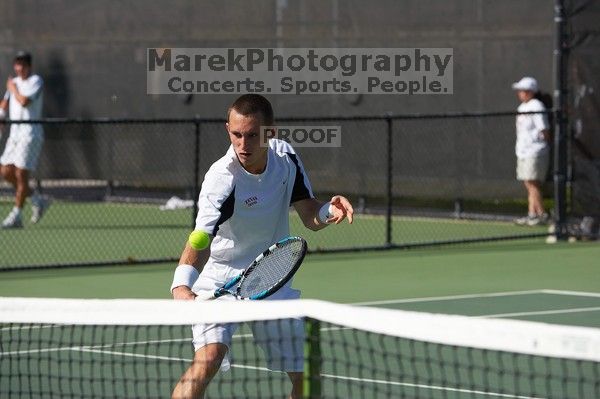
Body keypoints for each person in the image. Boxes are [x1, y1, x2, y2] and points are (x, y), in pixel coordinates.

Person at [170, 94, 354, 399]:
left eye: (252, 135)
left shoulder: (286, 158)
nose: (243, 145)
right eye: (236, 134)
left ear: (271, 132)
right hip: (221, 279)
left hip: (272, 275)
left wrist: (329, 211)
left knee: (307, 374)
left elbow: (309, 212)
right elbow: (201, 238)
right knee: (208, 361)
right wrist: (181, 286)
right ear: (227, 129)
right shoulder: (221, 179)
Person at [0, 51, 49, 228]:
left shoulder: (35, 81)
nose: (19, 67)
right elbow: (5, 103)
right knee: (5, 171)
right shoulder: (14, 83)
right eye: (17, 64)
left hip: (31, 134)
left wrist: (12, 88)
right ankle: (37, 199)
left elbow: (24, 101)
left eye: (22, 64)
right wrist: (1, 116)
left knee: (21, 174)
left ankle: (17, 215)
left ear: (28, 66)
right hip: (14, 134)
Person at [511, 76, 551, 226]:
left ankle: (541, 214)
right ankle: (532, 214)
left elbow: (544, 129)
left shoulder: (537, 106)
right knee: (528, 184)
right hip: (522, 151)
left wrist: (544, 146)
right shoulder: (522, 108)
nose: (519, 93)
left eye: (522, 90)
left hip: (535, 151)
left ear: (530, 91)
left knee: (532, 184)